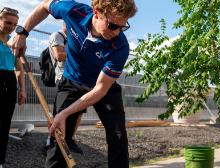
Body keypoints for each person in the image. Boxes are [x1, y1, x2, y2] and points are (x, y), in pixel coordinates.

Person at [10, 0, 137, 167]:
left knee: (118, 137)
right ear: (96, 12)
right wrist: (22, 32)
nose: (117, 32)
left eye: (123, 27)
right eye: (113, 25)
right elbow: (45, 5)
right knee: (59, 136)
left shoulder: (120, 46)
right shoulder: (74, 11)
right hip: (72, 82)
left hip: (102, 86)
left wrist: (64, 113)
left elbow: (100, 89)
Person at [45, 22, 83, 154]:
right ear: (66, 24)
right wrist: (81, 55)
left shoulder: (74, 39)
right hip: (64, 78)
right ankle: (51, 143)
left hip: (77, 79)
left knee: (78, 112)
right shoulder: (58, 36)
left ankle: (70, 139)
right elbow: (59, 55)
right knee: (60, 113)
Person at [0, 7, 26, 168]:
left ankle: (0, 161)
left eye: (14, 24)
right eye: (8, 22)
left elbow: (19, 67)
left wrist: (22, 89)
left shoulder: (13, 43)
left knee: (4, 124)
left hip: (9, 82)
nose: (11, 26)